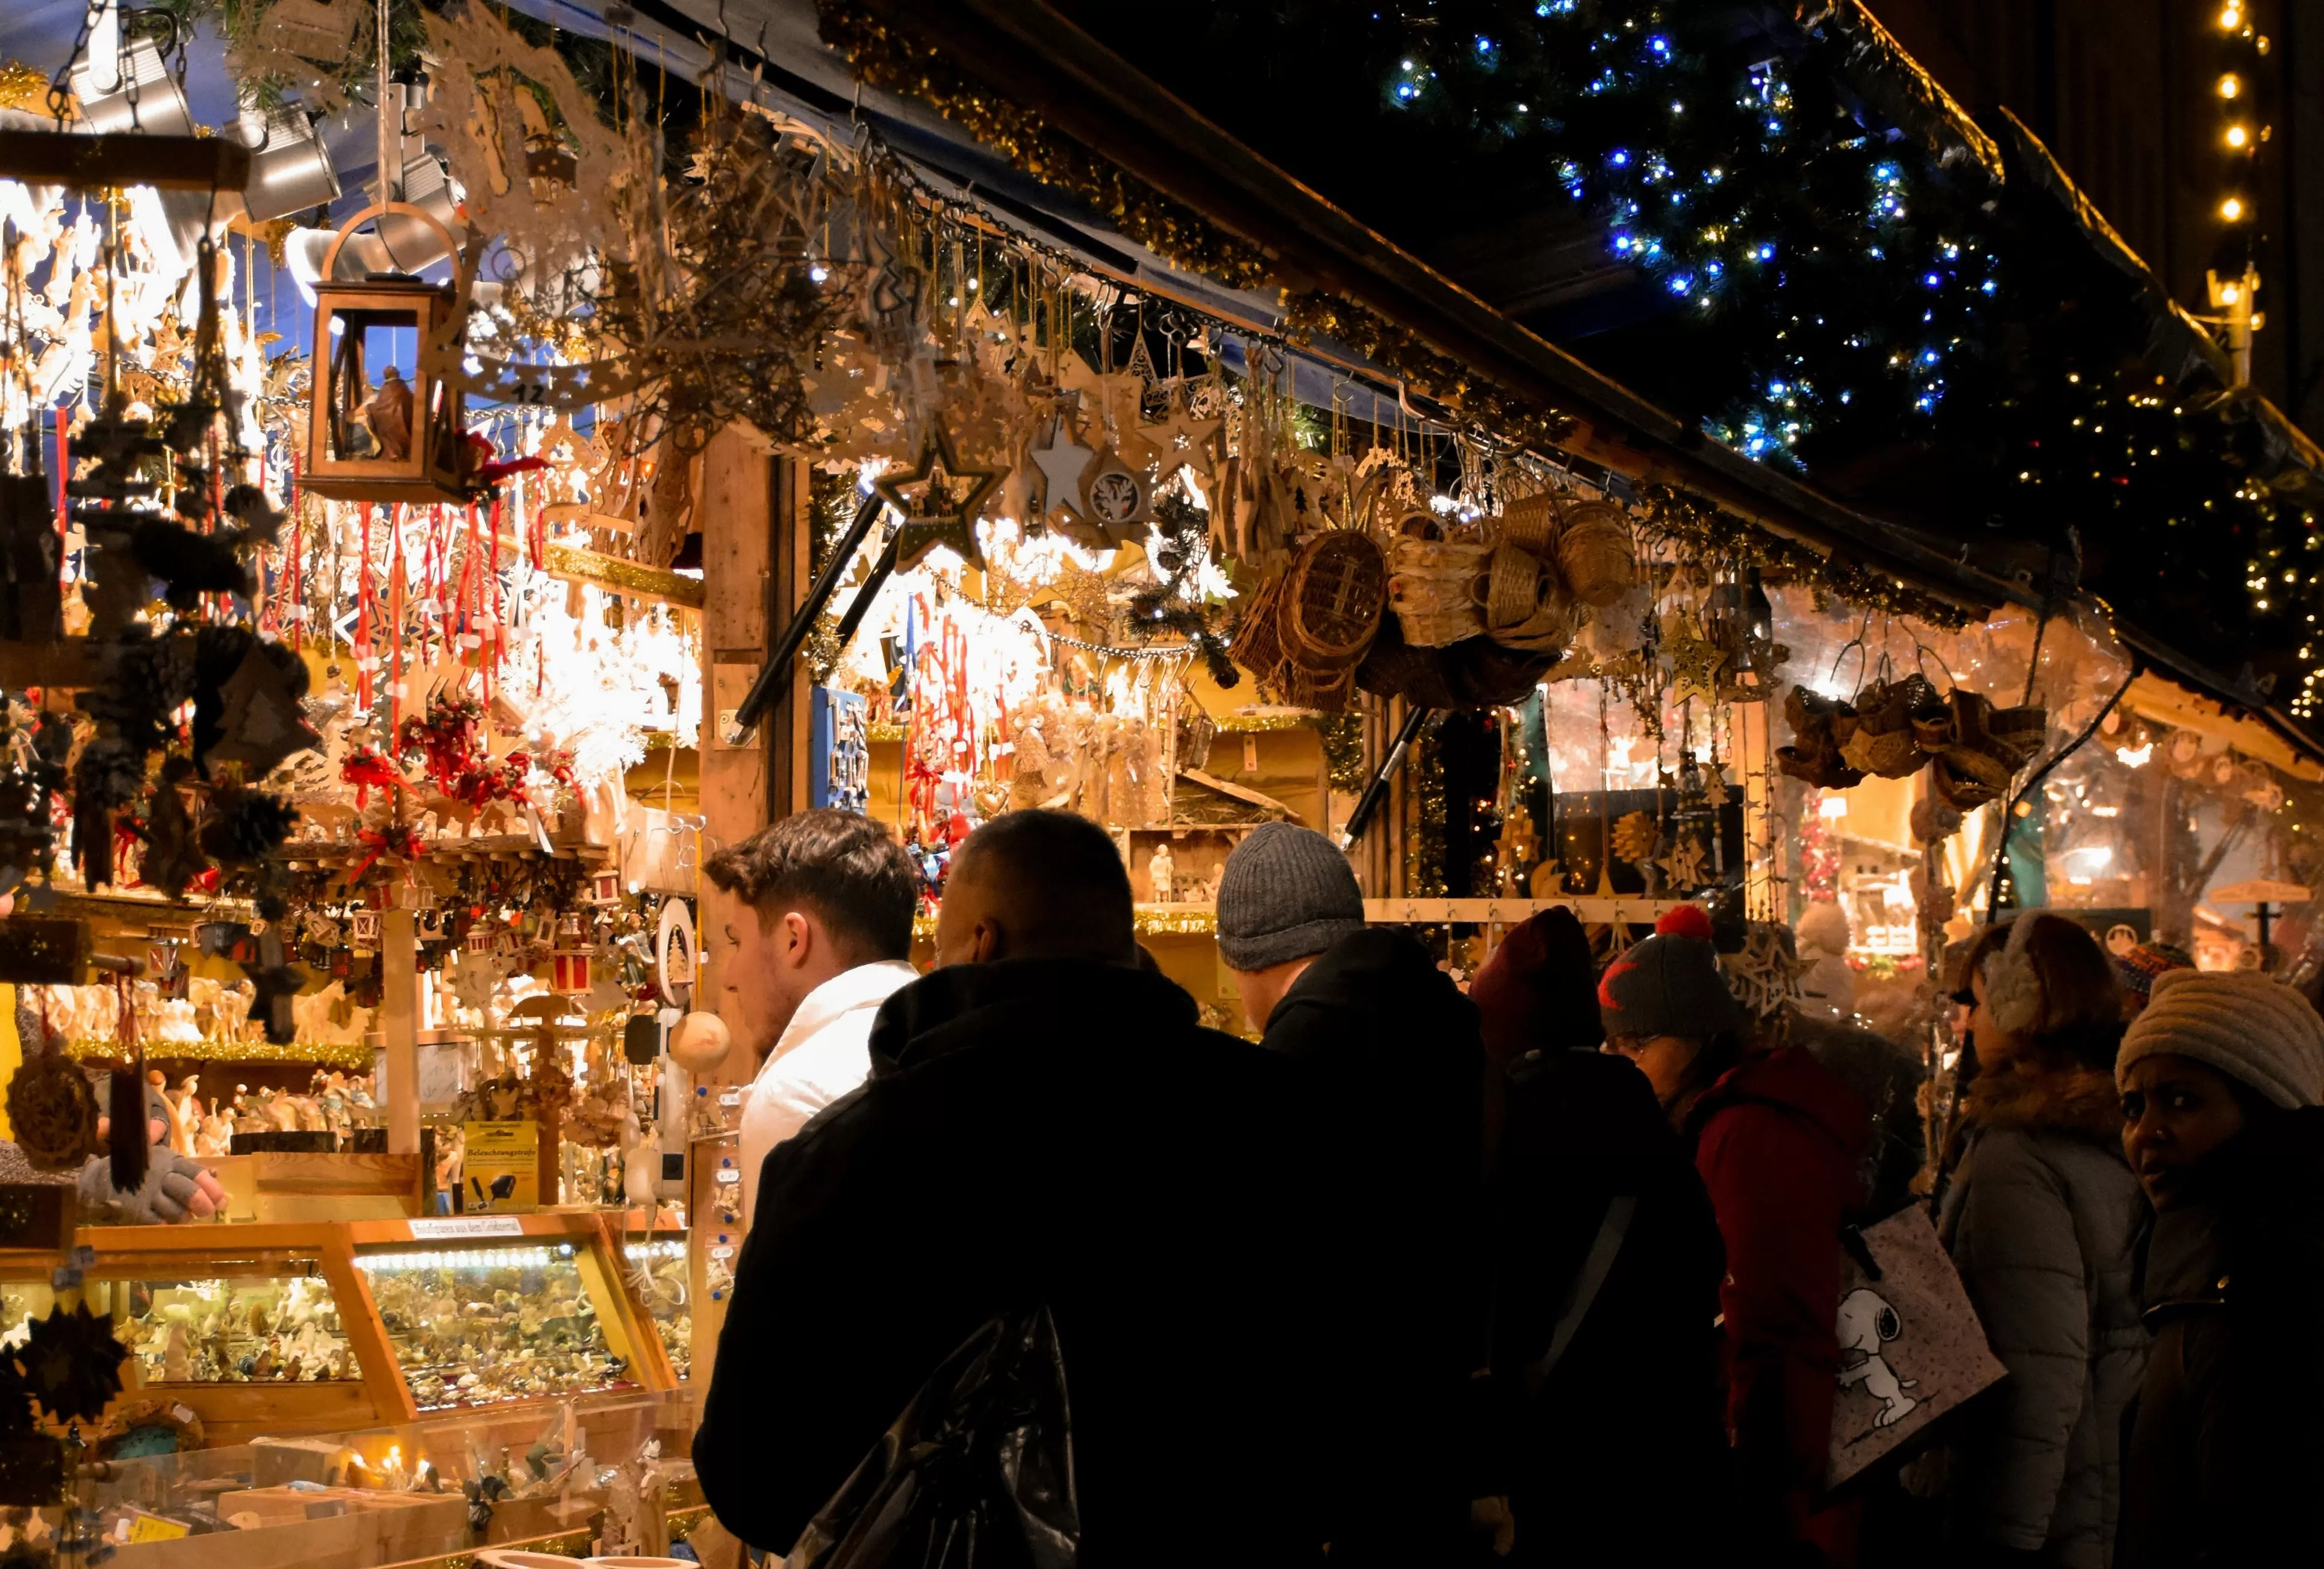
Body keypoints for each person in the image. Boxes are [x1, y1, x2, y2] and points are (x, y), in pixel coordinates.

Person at [694, 809, 1335, 1565]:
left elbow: (752, 1478)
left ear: (981, 944)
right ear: (1122, 948)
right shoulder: (1275, 1118)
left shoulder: (850, 1153)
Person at [1213, 821, 1484, 1562]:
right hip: (1438, 1427)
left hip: (1335, 1464)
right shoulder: (1440, 1020)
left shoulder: (1297, 1063)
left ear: (1246, 957)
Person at [1600, 904, 1868, 1564]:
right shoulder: (1717, 1121)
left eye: (1637, 1044)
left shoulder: (1744, 1136)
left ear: (1695, 1038)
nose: (1621, 1062)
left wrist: (1768, 1500)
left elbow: (1776, 1325)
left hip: (1791, 1492)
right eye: (1613, 1044)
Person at [1469, 907, 1728, 1566]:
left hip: (1549, 1484)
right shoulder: (1657, 1131)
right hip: (1668, 1481)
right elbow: (1702, 1267)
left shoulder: (1503, 1143)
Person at [1937, 912, 2146, 1569]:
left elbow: (2035, 1367)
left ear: (2022, 1000)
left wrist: (2008, 1537)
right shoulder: (2116, 1124)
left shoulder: (2019, 1153)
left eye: (1975, 1000)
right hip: (2108, 1477)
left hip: (2047, 1507)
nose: (1968, 1021)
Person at [2115, 968, 2324, 1568]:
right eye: (2132, 1105)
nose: (2146, 1132)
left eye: (2183, 1099)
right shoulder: (2197, 1264)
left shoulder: (2264, 1288)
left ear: (2264, 1107)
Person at [702, 809, 920, 1232]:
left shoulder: (798, 1094)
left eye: (737, 940)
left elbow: (791, 1298)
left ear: (793, 939)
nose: (729, 978)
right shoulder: (946, 1036)